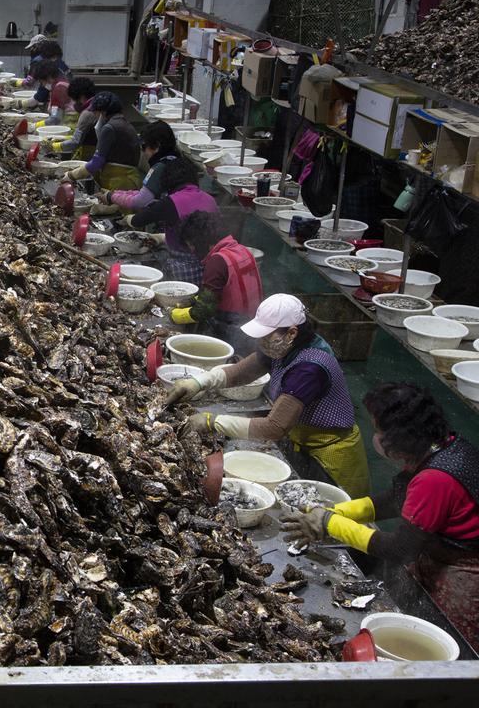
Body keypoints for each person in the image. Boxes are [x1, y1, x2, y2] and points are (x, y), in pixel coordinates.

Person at [281, 383, 479, 650]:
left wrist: (332, 524)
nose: (375, 436)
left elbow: (400, 549)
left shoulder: (435, 479)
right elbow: (398, 498)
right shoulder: (444, 446)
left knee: (446, 644)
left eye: (379, 430)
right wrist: (340, 511)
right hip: (440, 553)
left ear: (400, 437)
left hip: (461, 574)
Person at [171, 294, 371, 498]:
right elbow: (244, 371)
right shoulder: (283, 346)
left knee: (334, 510)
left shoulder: (309, 369)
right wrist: (199, 382)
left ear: (292, 333)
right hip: (302, 439)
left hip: (331, 454)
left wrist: (212, 422)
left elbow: (275, 427)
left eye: (266, 335)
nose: (261, 341)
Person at [168, 210, 263, 350]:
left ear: (200, 241)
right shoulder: (242, 250)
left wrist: (174, 315)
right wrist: (190, 301)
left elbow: (204, 311)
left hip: (234, 332)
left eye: (192, 245)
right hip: (254, 323)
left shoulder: (217, 261)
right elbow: (217, 292)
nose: (192, 251)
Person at [123, 158, 219, 283]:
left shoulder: (171, 202)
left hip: (183, 270)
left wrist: (127, 219)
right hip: (209, 268)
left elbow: (137, 221)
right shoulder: (210, 199)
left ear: (168, 181)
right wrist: (160, 238)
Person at [97, 120, 179, 211]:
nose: (143, 153)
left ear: (156, 146)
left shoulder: (159, 168)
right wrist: (114, 194)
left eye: (144, 147)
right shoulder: (177, 160)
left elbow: (140, 201)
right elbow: (144, 194)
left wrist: (110, 197)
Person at [67, 92, 141, 191]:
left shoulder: (109, 128)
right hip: (129, 180)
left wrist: (71, 175)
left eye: (95, 113)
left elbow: (96, 162)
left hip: (121, 183)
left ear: (103, 112)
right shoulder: (123, 123)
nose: (95, 116)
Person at [49, 77, 98, 158]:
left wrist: (53, 146)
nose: (74, 104)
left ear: (81, 97)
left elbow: (76, 141)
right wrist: (61, 138)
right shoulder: (96, 103)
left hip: (91, 152)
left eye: (74, 100)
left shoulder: (87, 113)